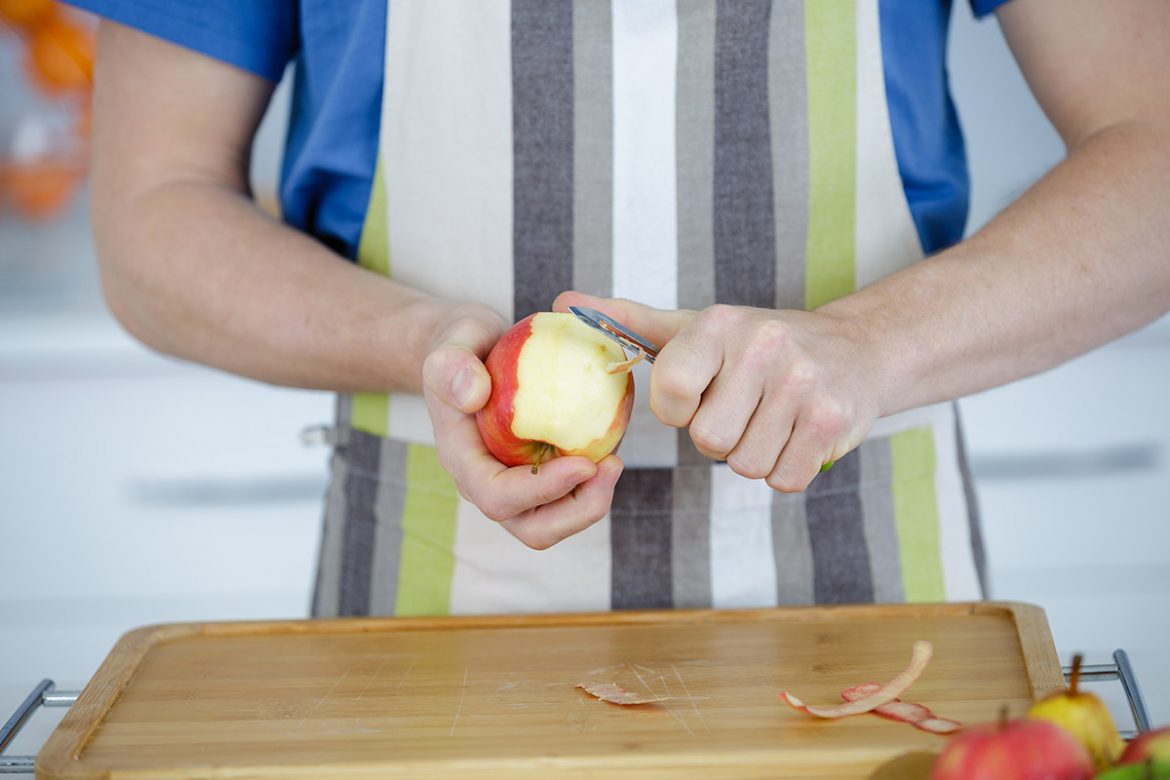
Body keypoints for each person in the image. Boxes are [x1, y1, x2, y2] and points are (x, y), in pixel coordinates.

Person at [68, 0, 1170, 617]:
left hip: (868, 593)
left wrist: (873, 347)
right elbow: (151, 212)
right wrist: (422, 346)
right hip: (422, 597)